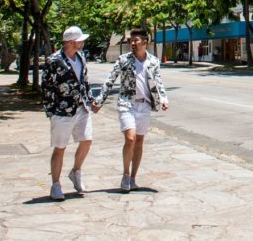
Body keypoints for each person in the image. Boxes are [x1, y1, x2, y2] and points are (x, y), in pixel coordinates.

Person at [95, 28, 169, 193]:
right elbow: (110, 80)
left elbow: (158, 82)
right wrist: (99, 101)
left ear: (144, 42)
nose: (132, 43)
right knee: (130, 138)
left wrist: (163, 99)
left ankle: (133, 177)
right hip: (126, 103)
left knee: (139, 141)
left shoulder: (153, 61)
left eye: (135, 40)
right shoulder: (123, 60)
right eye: (130, 41)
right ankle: (125, 174)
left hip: (144, 105)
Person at [41, 26, 99, 201]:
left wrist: (90, 100)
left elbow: (85, 82)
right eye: (80, 40)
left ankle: (76, 171)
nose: (83, 42)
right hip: (62, 111)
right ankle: (56, 184)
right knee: (60, 148)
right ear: (72, 42)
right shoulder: (54, 60)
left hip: (81, 108)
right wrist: (51, 110)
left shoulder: (81, 57)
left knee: (87, 140)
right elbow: (46, 86)